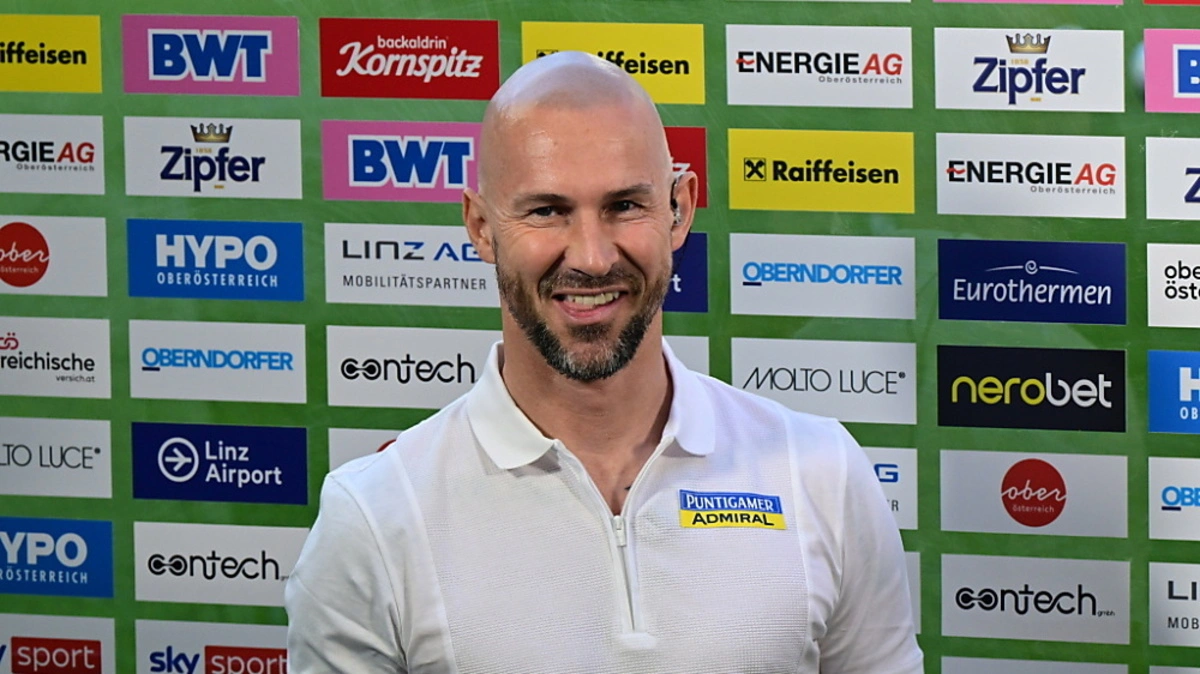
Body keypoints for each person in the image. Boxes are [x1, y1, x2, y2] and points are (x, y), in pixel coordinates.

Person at [285, 51, 923, 673]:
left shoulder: (822, 473)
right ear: (480, 227)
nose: (592, 257)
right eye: (547, 211)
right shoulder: (374, 516)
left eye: (624, 206)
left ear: (679, 210)